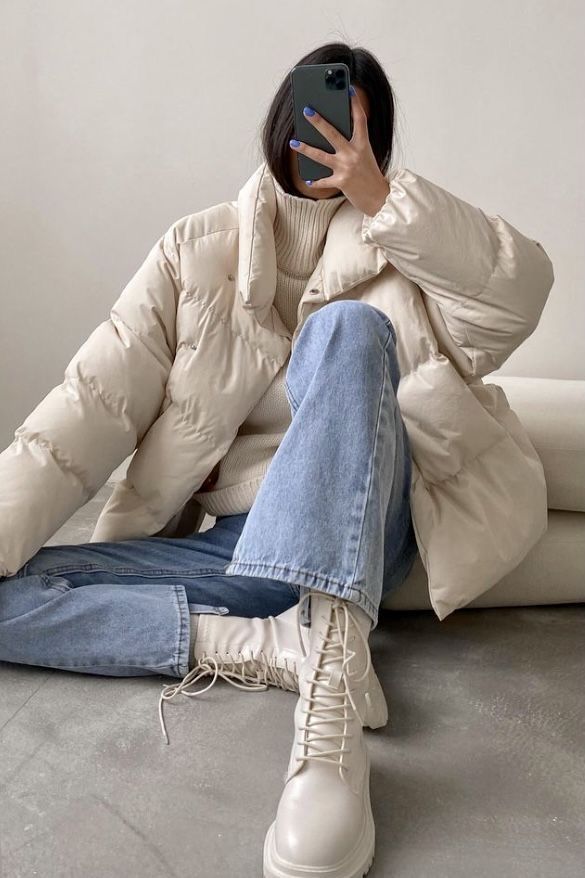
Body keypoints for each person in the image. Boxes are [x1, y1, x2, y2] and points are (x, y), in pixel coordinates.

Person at [0, 41, 554, 878]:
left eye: (354, 127)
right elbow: (85, 411)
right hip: (242, 548)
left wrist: (385, 200)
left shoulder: (412, 255)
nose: (326, 135)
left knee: (346, 329)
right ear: (281, 121)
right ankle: (261, 648)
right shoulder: (195, 252)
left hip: (373, 531)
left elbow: (521, 291)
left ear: (379, 143)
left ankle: (328, 715)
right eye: (315, 115)